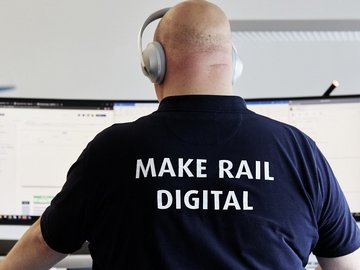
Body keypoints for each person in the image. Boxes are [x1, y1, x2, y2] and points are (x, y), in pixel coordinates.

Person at [0, 0, 359, 269]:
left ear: (153, 64)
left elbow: (34, 253)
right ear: (232, 63)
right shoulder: (299, 152)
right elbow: (346, 265)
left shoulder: (112, 152)